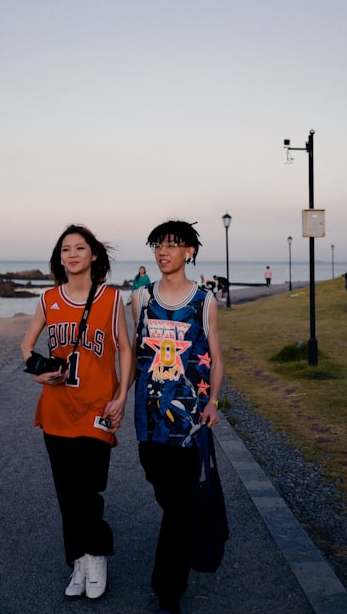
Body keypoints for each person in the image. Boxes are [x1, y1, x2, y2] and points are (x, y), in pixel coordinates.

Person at [19, 224, 133, 600]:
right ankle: (79, 562)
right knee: (67, 492)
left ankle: (96, 555)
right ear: (60, 257)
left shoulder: (112, 299)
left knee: (90, 489)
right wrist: (39, 373)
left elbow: (125, 350)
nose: (72, 254)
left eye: (79, 248)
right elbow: (26, 345)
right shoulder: (48, 298)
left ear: (94, 255)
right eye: (65, 249)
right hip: (56, 408)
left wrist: (121, 397)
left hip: (96, 408)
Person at [131, 220, 224, 614]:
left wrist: (214, 401)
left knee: (179, 505)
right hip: (149, 421)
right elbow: (129, 355)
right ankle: (187, 534)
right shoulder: (140, 299)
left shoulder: (204, 301)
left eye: (172, 245)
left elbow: (216, 356)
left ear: (189, 251)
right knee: (165, 494)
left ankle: (168, 594)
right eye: (158, 245)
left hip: (188, 422)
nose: (163, 252)